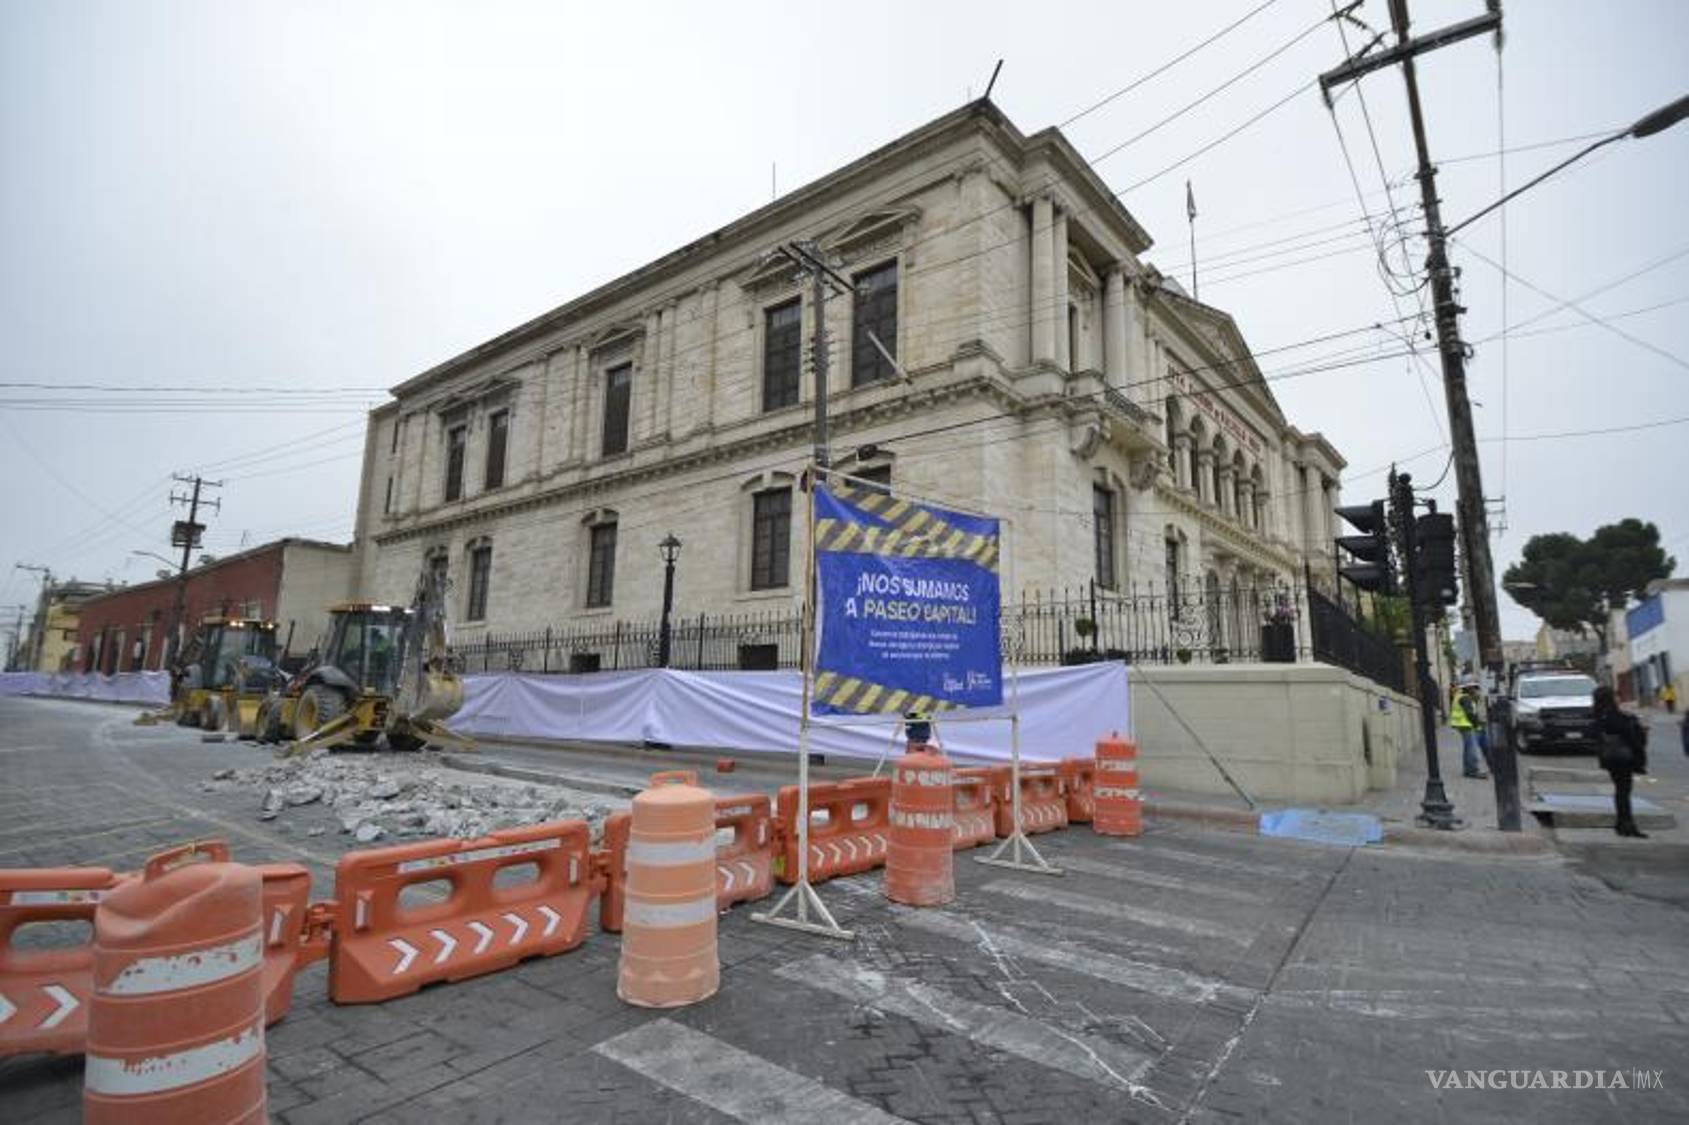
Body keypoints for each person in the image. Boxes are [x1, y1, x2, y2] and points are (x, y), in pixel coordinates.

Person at [1594, 685, 1648, 838]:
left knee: (1620, 790)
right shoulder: (1615, 716)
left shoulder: (1600, 715)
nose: (1618, 698)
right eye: (1615, 696)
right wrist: (1638, 728)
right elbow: (1630, 736)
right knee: (1624, 791)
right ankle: (1627, 824)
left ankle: (1621, 823)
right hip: (1622, 758)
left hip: (1610, 758)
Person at [1450, 683, 1488, 779]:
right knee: (1472, 749)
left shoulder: (1460, 696)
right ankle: (1473, 771)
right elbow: (1470, 714)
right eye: (1474, 688)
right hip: (1466, 725)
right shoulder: (1466, 698)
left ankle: (1468, 770)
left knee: (1468, 748)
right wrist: (1476, 724)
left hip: (1463, 725)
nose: (1476, 691)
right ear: (1469, 688)